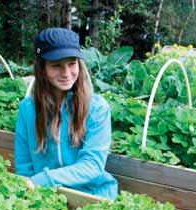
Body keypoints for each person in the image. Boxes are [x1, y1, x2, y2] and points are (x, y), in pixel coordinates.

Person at [14, 27, 118, 199]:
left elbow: (92, 166)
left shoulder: (97, 108)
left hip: (93, 195)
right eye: (56, 66)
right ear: (42, 68)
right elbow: (24, 166)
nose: (66, 73)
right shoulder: (28, 109)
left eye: (72, 64)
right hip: (45, 195)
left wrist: (41, 180)